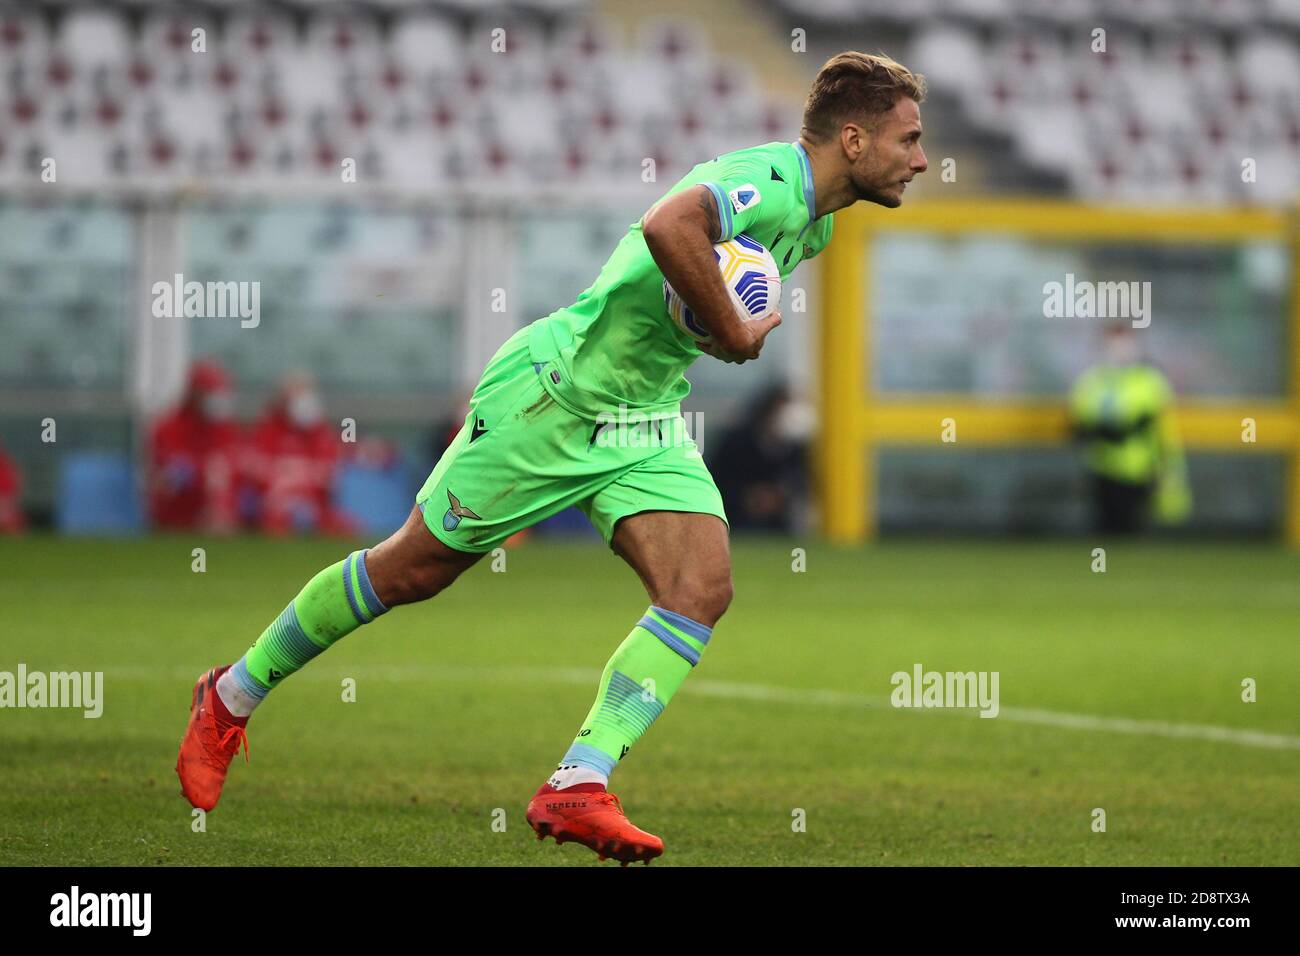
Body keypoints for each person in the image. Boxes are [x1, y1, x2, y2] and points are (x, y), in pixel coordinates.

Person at [177, 51, 929, 864]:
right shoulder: (771, 181)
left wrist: (712, 323)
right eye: (909, 139)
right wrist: (732, 328)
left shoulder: (816, 223)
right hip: (555, 397)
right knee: (411, 571)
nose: (922, 160)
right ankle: (230, 695)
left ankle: (579, 781)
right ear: (853, 140)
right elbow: (669, 225)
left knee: (701, 588)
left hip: (641, 416)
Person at [1069, 322, 1191, 534]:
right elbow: (1076, 429)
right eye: (1114, 342)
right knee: (1105, 534)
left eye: (1124, 341)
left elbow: (1161, 431)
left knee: (1133, 533)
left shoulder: (1150, 381)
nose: (1119, 348)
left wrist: (1163, 469)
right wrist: (1101, 432)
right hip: (1101, 471)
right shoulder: (1091, 382)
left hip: (1140, 472)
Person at [245, 371, 354, 536]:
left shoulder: (322, 435)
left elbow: (330, 478)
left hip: (315, 511)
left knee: (346, 529)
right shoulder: (268, 431)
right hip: (275, 511)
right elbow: (254, 474)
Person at [147, 360, 242, 532]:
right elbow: (170, 475)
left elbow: (235, 468)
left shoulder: (225, 428)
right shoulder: (167, 427)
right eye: (211, 392)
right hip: (176, 517)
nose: (217, 398)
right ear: (195, 393)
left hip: (218, 520)